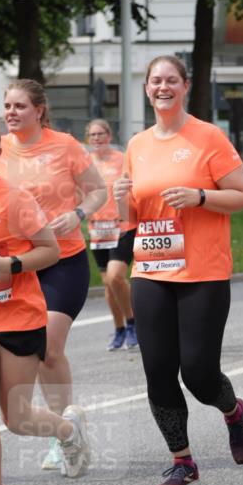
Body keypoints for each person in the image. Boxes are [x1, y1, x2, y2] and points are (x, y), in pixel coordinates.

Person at [114, 55, 243, 485]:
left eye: (170, 80)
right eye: (155, 80)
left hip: (202, 271)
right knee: (158, 370)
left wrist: (199, 196)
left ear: (185, 87)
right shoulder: (137, 145)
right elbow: (131, 219)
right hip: (152, 269)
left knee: (197, 372)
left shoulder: (207, 137)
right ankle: (182, 461)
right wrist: (120, 198)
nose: (162, 87)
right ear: (146, 88)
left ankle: (234, 411)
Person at [0, 116, 91, 485]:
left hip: (18, 314)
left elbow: (48, 250)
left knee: (19, 417)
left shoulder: (15, 198)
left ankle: (66, 430)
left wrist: (8, 266)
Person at [0, 80, 106, 472]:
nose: (10, 112)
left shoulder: (64, 146)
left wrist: (77, 214)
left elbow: (97, 191)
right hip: (17, 267)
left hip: (63, 259)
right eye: (7, 105)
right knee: (38, 352)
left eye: (19, 106)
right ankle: (66, 427)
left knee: (49, 346)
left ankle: (65, 432)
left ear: (39, 110)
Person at [85, 119, 137, 351]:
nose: (97, 139)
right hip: (98, 228)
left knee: (116, 276)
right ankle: (119, 329)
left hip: (121, 225)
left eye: (100, 134)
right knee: (108, 284)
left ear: (109, 135)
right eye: (92, 135)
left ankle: (133, 323)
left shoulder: (121, 158)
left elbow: (132, 186)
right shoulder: (86, 163)